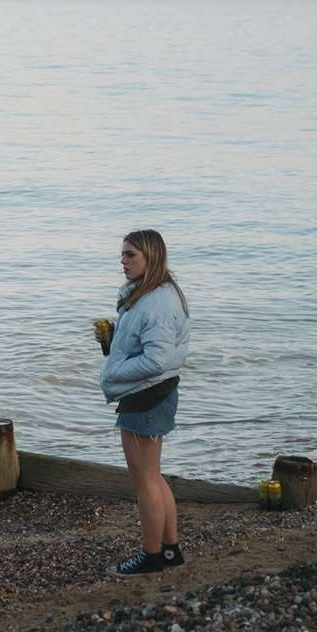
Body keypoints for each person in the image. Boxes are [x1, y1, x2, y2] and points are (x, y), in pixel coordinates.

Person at [97, 228, 191, 576]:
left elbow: (157, 359)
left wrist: (116, 369)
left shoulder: (156, 302)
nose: (122, 261)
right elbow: (152, 352)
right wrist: (114, 342)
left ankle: (152, 556)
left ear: (150, 257)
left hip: (146, 395)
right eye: (123, 254)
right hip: (155, 392)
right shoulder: (152, 294)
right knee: (153, 476)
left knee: (145, 481)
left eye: (130, 255)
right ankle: (169, 552)